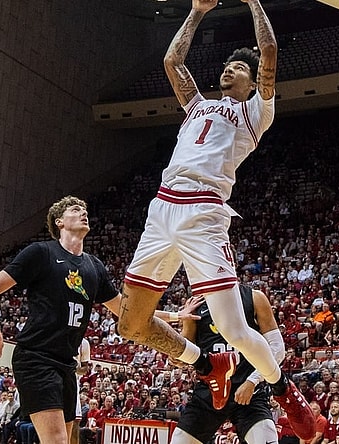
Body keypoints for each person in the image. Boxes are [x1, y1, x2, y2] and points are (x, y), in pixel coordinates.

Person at [115, 0, 314, 440]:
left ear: (251, 80)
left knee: (235, 329)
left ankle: (283, 389)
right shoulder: (198, 106)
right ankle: (208, 365)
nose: (230, 70)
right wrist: (197, 10)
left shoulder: (254, 113)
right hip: (162, 208)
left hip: (204, 213)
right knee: (130, 324)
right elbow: (172, 61)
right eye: (226, 66)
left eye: (238, 68)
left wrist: (253, 2)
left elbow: (270, 52)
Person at [0, 196, 196, 444]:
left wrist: (177, 316)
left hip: (66, 364)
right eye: (75, 209)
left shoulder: (94, 266)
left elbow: (127, 310)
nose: (83, 212)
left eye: (84, 209)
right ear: (59, 221)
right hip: (36, 358)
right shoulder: (41, 252)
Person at [170, 286, 282, 444]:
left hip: (249, 392)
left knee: (267, 438)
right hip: (209, 393)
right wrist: (176, 356)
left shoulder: (254, 297)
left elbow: (277, 349)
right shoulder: (196, 304)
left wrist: (252, 381)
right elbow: (183, 353)